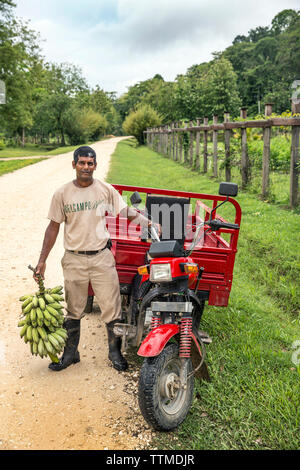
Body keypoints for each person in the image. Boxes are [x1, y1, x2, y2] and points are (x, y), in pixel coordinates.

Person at [34, 145, 160, 372]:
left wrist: (147, 222)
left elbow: (125, 212)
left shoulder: (104, 190)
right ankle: (71, 354)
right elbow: (52, 227)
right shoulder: (62, 194)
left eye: (90, 163)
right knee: (74, 309)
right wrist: (42, 260)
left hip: (102, 258)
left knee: (112, 309)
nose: (86, 167)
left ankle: (115, 354)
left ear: (95, 165)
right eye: (81, 163)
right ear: (74, 165)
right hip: (74, 259)